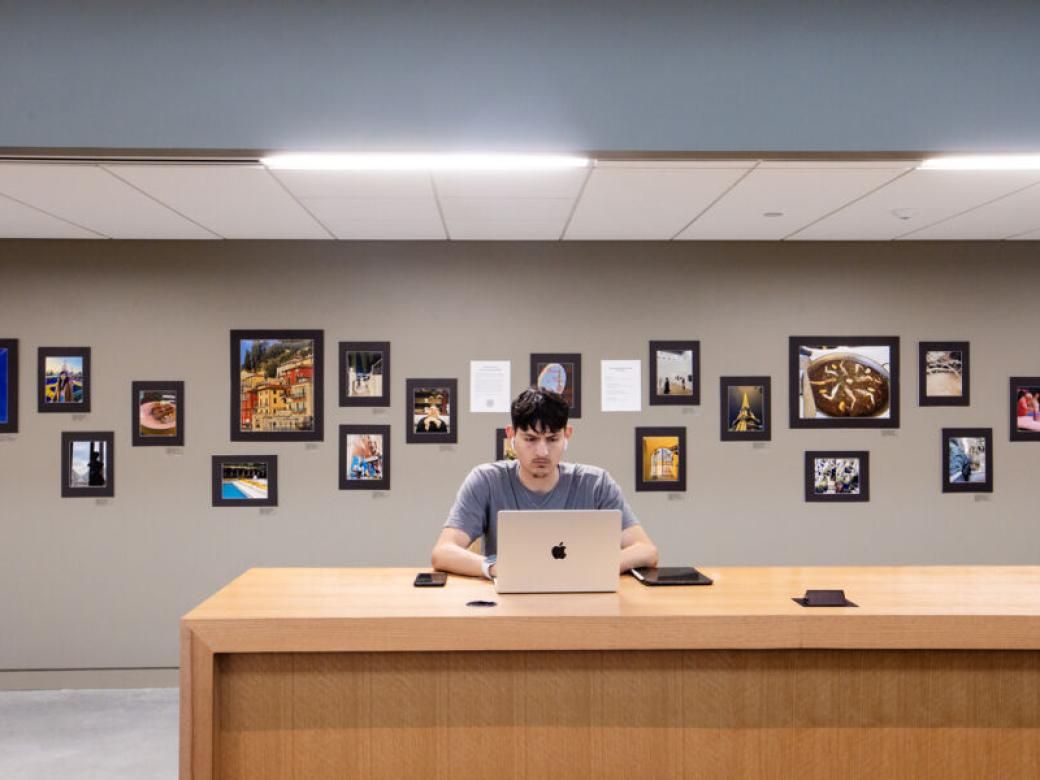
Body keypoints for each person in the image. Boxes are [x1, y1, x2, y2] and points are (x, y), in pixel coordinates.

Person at [431, 387, 658, 579]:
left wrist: (588, 568)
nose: (542, 451)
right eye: (530, 439)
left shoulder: (596, 484)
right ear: (512, 435)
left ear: (567, 435)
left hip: (581, 602)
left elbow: (646, 550)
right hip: (509, 603)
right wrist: (494, 568)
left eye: (552, 439)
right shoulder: (486, 480)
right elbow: (443, 552)